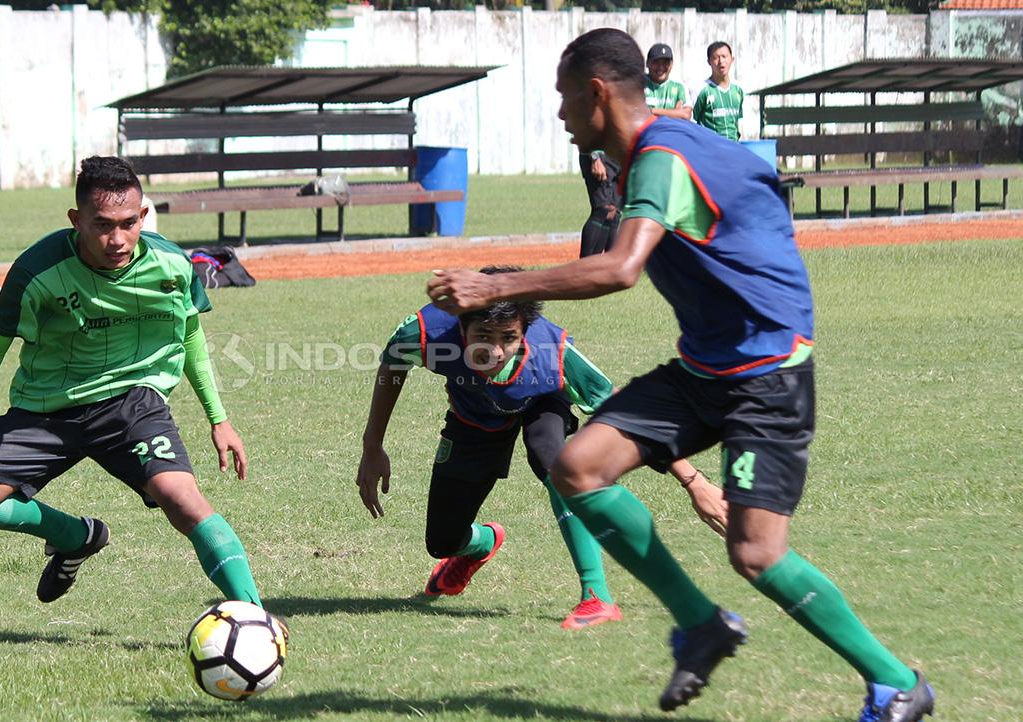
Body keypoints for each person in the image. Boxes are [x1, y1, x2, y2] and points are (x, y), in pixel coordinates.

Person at [426, 28, 934, 722]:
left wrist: (492, 288)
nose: (561, 114)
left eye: (566, 98)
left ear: (598, 93)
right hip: (705, 368)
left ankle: (894, 679)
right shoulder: (654, 155)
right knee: (578, 467)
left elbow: (619, 268)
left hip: (766, 377)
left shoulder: (662, 156)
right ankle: (700, 624)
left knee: (756, 553)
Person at [0, 156, 265, 609]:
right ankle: (74, 536)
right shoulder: (37, 271)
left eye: (129, 223)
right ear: (76, 220)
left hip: (132, 402)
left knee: (183, 500)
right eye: (103, 225)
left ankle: (255, 619)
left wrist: (218, 419)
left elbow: (189, 334)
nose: (117, 239)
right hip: (47, 409)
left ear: (143, 215)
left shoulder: (171, 265)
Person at [356, 266, 728, 629]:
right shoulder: (426, 332)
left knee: (556, 461)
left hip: (542, 405)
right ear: (460, 324)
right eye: (483, 335)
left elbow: (625, 414)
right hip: (474, 419)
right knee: (442, 542)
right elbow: (393, 365)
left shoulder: (553, 351)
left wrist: (693, 481)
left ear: (525, 331)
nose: (496, 351)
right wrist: (373, 446)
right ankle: (485, 542)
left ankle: (596, 596)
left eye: (509, 337)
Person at [693, 41, 744, 141]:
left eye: (724, 56)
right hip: (710, 149)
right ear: (709, 62)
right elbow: (692, 121)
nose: (721, 61)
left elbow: (738, 121)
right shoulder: (702, 89)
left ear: (732, 59)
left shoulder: (738, 89)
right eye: (716, 58)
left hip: (734, 148)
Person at [578, 150, 620, 257]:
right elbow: (586, 133)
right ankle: (584, 268)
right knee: (603, 209)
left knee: (614, 214)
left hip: (616, 156)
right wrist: (595, 156)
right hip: (599, 155)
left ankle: (608, 268)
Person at [644, 43, 691, 120]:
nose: (661, 67)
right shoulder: (638, 84)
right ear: (647, 63)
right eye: (656, 62)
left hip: (671, 131)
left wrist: (652, 110)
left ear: (672, 64)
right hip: (647, 131)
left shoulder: (679, 86)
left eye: (665, 62)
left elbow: (686, 115)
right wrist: (674, 112)